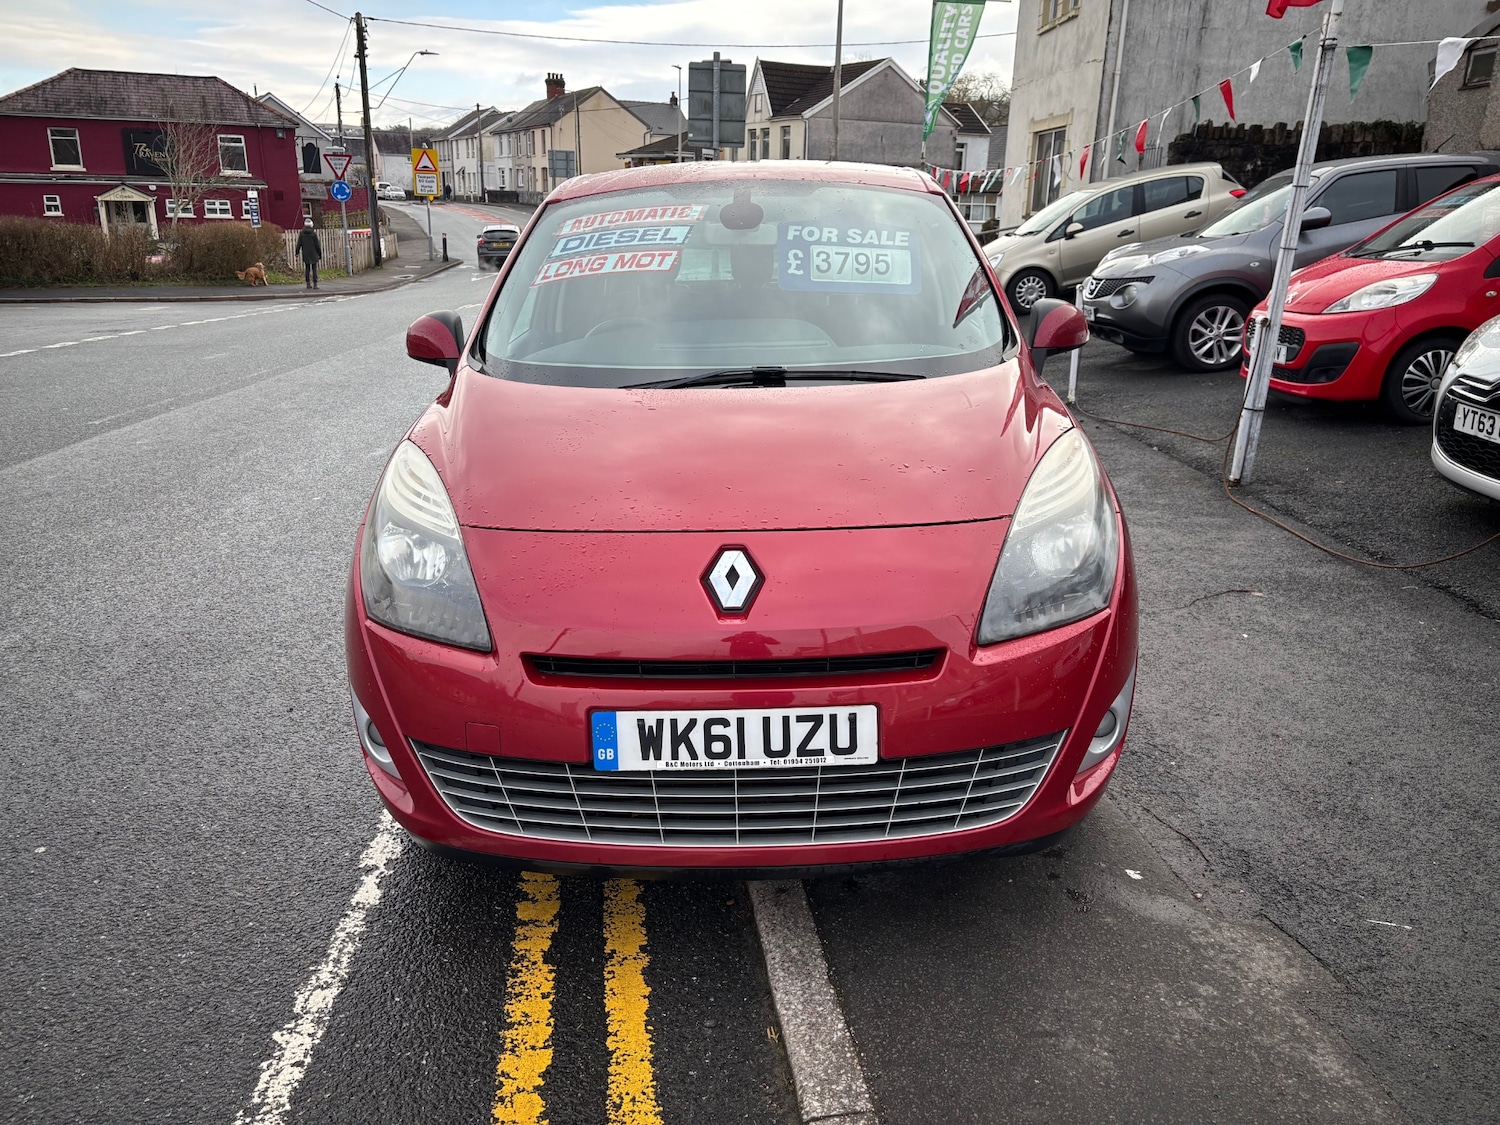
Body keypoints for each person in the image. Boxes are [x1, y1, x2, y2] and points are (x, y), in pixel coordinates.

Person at [295, 218, 323, 289]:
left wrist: (297, 253)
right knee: (314, 269)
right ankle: (315, 284)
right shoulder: (313, 234)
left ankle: (308, 283)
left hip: (306, 253)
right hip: (314, 254)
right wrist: (319, 254)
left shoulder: (302, 234)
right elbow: (317, 245)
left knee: (307, 268)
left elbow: (299, 244)